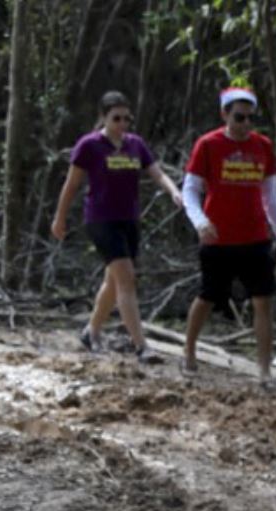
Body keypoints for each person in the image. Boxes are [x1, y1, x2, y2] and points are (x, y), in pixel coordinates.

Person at [51, 91, 185, 363]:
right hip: (101, 218)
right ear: (103, 117)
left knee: (113, 281)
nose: (122, 123)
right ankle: (141, 346)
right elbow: (72, 184)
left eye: (126, 118)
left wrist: (173, 191)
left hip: (129, 219)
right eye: (116, 118)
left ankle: (91, 331)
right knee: (126, 278)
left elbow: (156, 172)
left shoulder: (135, 144)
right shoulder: (89, 145)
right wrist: (59, 217)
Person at [180, 86, 276, 384]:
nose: (245, 125)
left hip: (255, 238)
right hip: (217, 238)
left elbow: (270, 194)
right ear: (225, 115)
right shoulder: (208, 145)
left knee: (263, 301)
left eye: (250, 118)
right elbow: (190, 190)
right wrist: (200, 222)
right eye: (239, 117)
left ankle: (264, 370)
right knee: (207, 296)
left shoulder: (263, 146)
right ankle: (189, 352)